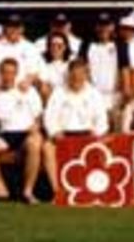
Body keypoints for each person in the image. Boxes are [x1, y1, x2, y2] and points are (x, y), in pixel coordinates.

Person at [0, 58, 45, 203]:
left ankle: (28, 191)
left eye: (11, 73)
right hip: (5, 134)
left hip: (26, 132)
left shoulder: (28, 91)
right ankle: (1, 188)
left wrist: (35, 128)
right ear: (0, 74)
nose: (8, 76)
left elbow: (39, 117)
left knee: (35, 143)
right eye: (5, 72)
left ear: (16, 74)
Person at [42, 59, 111, 198]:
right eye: (74, 75)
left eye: (80, 75)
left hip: (88, 134)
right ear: (69, 75)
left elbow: (102, 119)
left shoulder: (94, 93)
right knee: (47, 148)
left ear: (86, 75)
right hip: (63, 135)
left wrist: (96, 133)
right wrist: (55, 132)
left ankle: (96, 189)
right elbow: (49, 115)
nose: (77, 78)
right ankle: (57, 191)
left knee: (105, 146)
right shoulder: (59, 92)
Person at [0, 13, 45, 95]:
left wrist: (28, 81)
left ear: (22, 29)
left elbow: (36, 71)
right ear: (5, 28)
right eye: (10, 26)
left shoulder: (31, 48)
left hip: (23, 92)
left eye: (17, 27)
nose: (13, 30)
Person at [39, 31, 73, 102]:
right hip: (52, 100)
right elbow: (44, 87)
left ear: (65, 47)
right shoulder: (43, 65)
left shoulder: (70, 64)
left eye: (59, 46)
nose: (56, 48)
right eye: (53, 45)